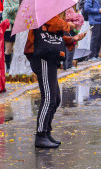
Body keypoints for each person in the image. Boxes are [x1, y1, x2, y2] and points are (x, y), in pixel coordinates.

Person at [25, 11, 83, 149]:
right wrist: (68, 25)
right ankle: (40, 135)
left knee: (55, 98)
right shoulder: (44, 12)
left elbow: (55, 36)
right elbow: (55, 25)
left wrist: (73, 39)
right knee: (49, 98)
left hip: (50, 58)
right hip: (42, 57)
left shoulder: (52, 14)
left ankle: (46, 132)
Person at [1, 0, 20, 71]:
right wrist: (18, 6)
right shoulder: (7, 0)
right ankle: (8, 67)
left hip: (18, 26)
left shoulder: (20, 0)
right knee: (8, 48)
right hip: (9, 26)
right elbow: (7, 10)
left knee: (16, 48)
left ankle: (15, 66)